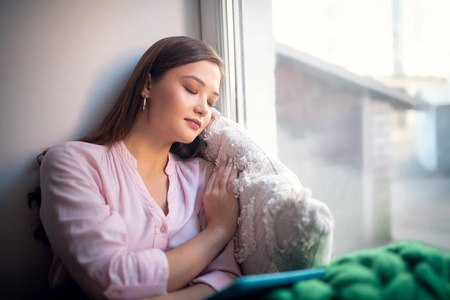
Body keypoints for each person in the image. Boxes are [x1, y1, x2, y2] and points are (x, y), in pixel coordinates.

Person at [38, 36, 241, 300]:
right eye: (191, 89)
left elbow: (225, 279)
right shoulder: (72, 163)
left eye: (211, 102)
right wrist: (219, 231)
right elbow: (112, 282)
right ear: (147, 84)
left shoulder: (205, 176)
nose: (204, 109)